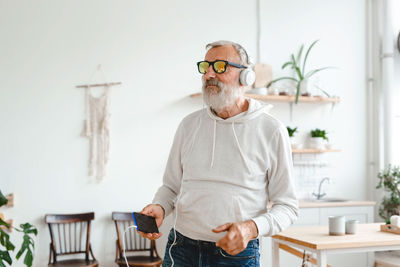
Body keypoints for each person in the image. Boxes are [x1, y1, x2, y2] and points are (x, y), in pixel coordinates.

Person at [139, 40, 299, 267]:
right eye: (205, 67)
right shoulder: (188, 125)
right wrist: (160, 206)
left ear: (246, 77)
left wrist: (250, 228)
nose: (209, 74)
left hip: (237, 255)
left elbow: (288, 207)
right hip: (181, 248)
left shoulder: (271, 130)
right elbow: (171, 187)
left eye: (220, 66)